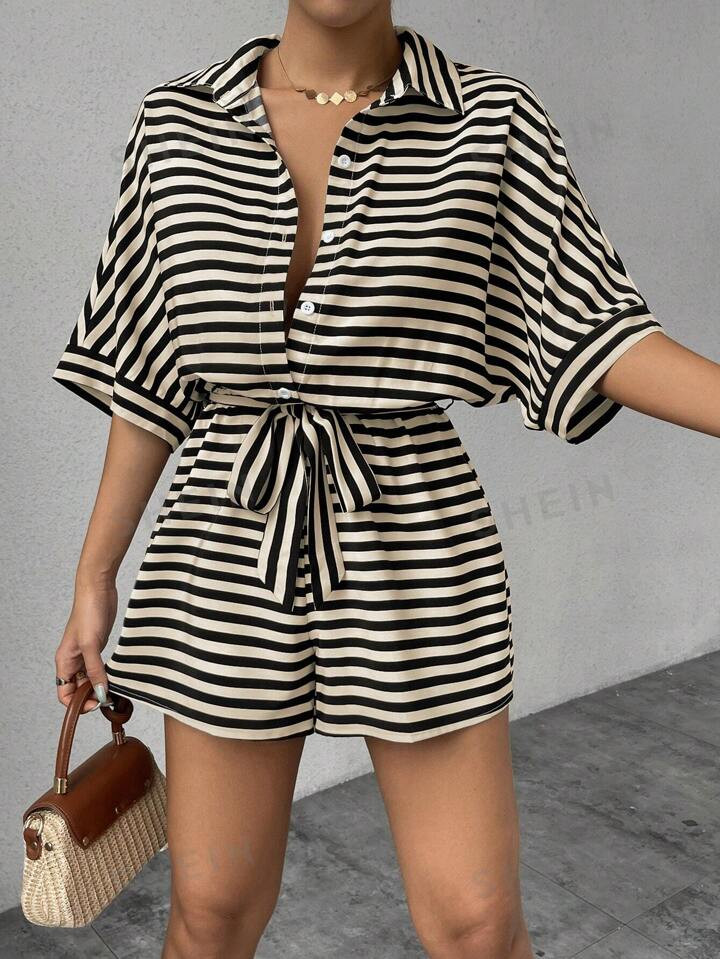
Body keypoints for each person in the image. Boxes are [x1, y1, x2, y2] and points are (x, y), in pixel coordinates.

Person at [51, 1, 719, 957]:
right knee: (211, 912)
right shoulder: (175, 125)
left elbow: (598, 329)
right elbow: (147, 376)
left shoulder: (492, 121)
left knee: (478, 924)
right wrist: (95, 575)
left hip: (412, 534)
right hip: (225, 534)